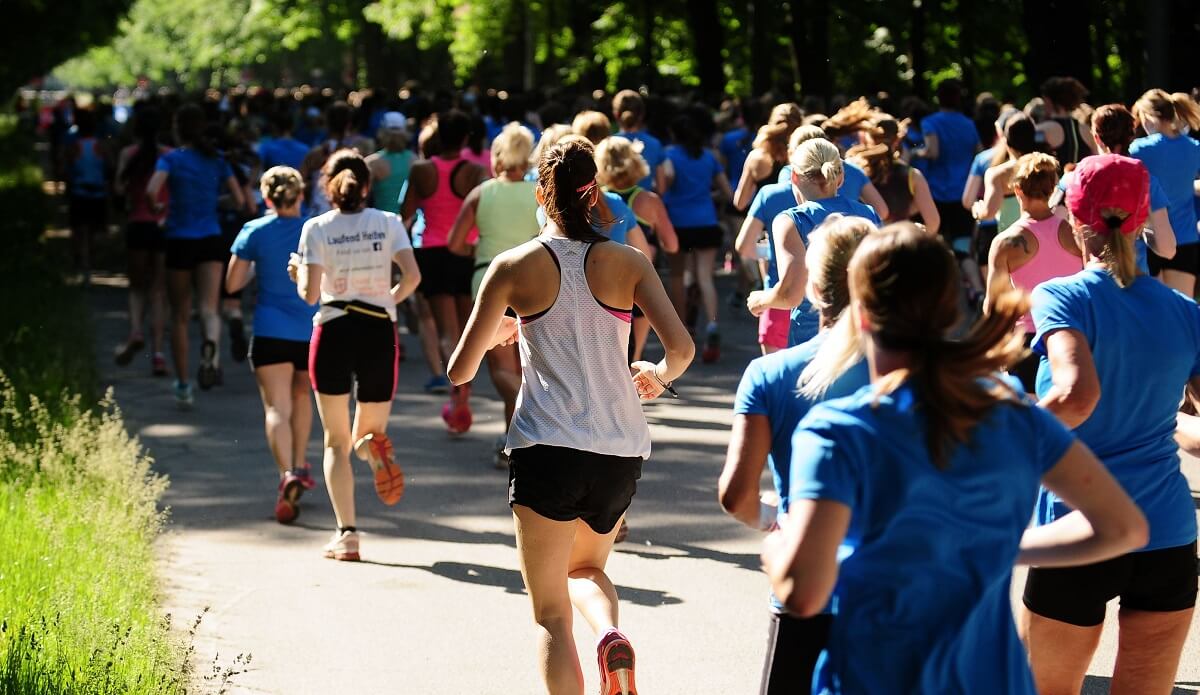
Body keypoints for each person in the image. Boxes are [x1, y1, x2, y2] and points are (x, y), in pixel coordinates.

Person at [761, 224, 1148, 695]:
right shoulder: (1011, 409)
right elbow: (1125, 527)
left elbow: (803, 593)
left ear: (860, 317)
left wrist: (779, 542)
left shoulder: (838, 432)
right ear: (950, 312)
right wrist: (999, 544)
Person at [446, 137, 693, 695]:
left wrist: (500, 333)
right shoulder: (629, 261)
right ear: (595, 194)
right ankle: (610, 634)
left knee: (550, 613)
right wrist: (656, 374)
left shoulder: (513, 266)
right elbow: (681, 349)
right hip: (619, 448)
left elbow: (459, 370)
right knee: (587, 569)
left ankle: (596, 645)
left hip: (546, 448)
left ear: (541, 193)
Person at [1022, 154, 1200, 695]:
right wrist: (1162, 424)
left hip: (1079, 528)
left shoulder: (1061, 294)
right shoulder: (1183, 310)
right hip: (1168, 534)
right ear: (1145, 219)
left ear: (1076, 224)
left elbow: (1075, 396)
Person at [721, 215, 874, 694]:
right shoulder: (917, 374)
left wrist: (773, 517)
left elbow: (736, 496)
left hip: (806, 589)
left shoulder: (770, 374)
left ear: (812, 289)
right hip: (898, 593)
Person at [292, 149, 421, 561]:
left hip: (333, 328)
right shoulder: (387, 223)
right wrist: (388, 302)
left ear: (327, 185)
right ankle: (372, 448)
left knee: (334, 442)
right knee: (368, 432)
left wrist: (298, 276)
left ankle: (347, 534)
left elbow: (311, 295)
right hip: (377, 329)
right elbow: (413, 276)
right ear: (367, 186)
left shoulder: (316, 227)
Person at [226, 166, 318, 524]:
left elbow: (232, 284)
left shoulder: (254, 231)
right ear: (300, 194)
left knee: (276, 408)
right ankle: (300, 464)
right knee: (301, 398)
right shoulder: (314, 228)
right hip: (310, 331)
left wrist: (255, 268)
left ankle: (286, 475)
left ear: (267, 197)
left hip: (269, 331)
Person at [447, 122, 540, 469]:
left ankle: (523, 414)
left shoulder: (481, 193)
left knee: (501, 364)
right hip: (534, 278)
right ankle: (513, 438)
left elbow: (456, 243)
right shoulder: (538, 194)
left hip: (486, 276)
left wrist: (481, 246)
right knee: (526, 361)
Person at [145, 104, 247, 408]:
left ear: (177, 129)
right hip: (211, 238)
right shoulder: (217, 160)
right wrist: (213, 203)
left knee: (179, 315)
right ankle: (212, 353)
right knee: (209, 307)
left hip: (179, 238)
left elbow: (152, 191)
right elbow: (239, 199)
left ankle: (183, 385)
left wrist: (159, 209)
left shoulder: (170, 159)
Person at [401, 109, 489, 434]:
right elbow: (484, 210)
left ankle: (457, 395)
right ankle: (464, 390)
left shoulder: (421, 169)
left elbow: (406, 212)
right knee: (468, 327)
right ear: (466, 138)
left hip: (432, 253)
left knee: (446, 331)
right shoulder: (476, 172)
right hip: (466, 251)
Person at [747, 138, 881, 348]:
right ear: (841, 178)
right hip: (863, 334)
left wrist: (761, 300)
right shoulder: (868, 214)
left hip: (813, 340)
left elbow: (791, 293)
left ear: (794, 177)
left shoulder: (791, 221)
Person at [984, 152, 1080, 392]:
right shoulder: (1077, 233)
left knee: (1031, 419)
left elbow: (993, 305)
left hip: (1028, 341)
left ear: (1017, 190)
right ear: (1052, 189)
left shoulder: (1006, 242)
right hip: (1073, 334)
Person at [596, 135, 680, 362]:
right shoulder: (649, 201)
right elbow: (672, 245)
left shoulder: (597, 199)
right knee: (632, 358)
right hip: (637, 282)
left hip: (600, 279)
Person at [661, 111, 734, 362]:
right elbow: (728, 192)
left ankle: (681, 328)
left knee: (679, 275)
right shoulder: (709, 158)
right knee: (704, 277)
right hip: (706, 222)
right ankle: (712, 325)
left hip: (678, 224)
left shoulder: (669, 156)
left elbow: (665, 184)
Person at [113, 104, 169, 376]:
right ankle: (158, 354)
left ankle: (136, 329)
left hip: (136, 225)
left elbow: (118, 189)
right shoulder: (169, 156)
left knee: (136, 287)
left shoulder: (128, 155)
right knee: (158, 291)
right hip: (162, 227)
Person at [1130, 89, 1200, 295]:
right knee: (1180, 311)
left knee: (1154, 315)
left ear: (1149, 117)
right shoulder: (1194, 147)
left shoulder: (1138, 149)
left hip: (1152, 239)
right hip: (1186, 238)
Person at [910, 79, 980, 262]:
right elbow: (978, 152)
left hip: (937, 192)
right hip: (963, 192)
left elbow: (933, 152)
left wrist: (914, 152)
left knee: (936, 244)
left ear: (938, 98)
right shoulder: (968, 123)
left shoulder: (930, 122)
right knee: (962, 245)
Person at [846, 116, 939, 232]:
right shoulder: (912, 175)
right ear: (897, 140)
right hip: (897, 242)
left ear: (866, 138)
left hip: (865, 244)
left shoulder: (854, 172)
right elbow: (933, 222)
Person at [300, 101, 374, 217]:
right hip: (351, 213)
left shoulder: (315, 154)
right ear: (349, 124)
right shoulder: (357, 155)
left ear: (327, 124)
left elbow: (301, 182)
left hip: (319, 213)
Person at [63, 107, 110, 282]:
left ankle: (83, 265)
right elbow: (109, 168)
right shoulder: (101, 146)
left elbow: (65, 170)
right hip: (97, 194)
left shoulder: (73, 147)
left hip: (79, 193)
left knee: (79, 231)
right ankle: (89, 263)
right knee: (92, 232)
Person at [973, 112, 1041, 233]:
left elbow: (989, 213)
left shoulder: (997, 174)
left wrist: (978, 210)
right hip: (1042, 236)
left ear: (1006, 141)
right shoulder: (1045, 166)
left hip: (1014, 241)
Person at [733, 103, 803, 211]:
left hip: (766, 224)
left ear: (771, 122)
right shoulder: (803, 157)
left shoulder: (757, 157)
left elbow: (740, 203)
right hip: (798, 224)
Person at [612, 90, 665, 192]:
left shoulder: (608, 145)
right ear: (642, 114)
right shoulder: (655, 144)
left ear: (616, 114)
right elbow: (661, 188)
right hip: (646, 205)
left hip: (615, 206)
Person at [1037, 77, 1096, 167]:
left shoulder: (1041, 130)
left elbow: (1032, 158)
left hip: (1054, 180)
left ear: (1048, 100)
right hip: (1080, 180)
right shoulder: (1086, 130)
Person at [365, 111, 413, 214]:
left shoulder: (372, 163)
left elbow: (362, 198)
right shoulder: (415, 160)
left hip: (382, 224)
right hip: (408, 224)